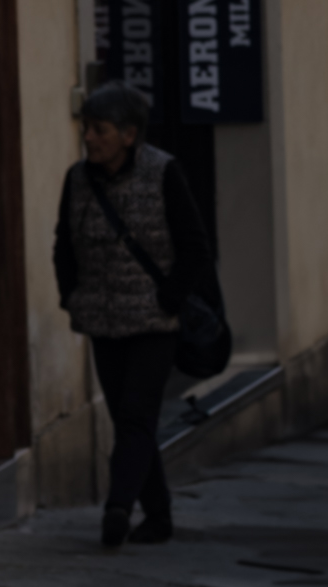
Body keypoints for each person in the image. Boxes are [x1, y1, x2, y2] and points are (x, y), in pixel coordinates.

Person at [53, 83, 222, 550]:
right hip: (103, 322)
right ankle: (160, 516)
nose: (89, 137)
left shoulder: (163, 172)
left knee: (134, 417)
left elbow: (194, 247)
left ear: (129, 135)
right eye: (87, 128)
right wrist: (71, 296)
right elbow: (63, 244)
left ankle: (118, 509)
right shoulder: (77, 179)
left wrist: (168, 298)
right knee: (133, 422)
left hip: (154, 323)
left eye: (99, 130)